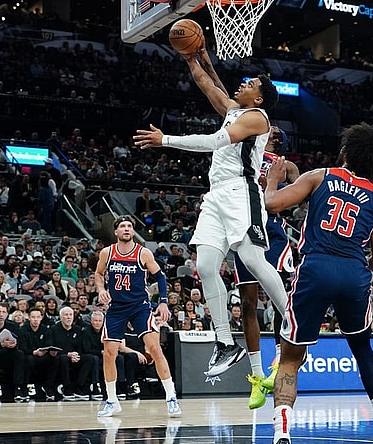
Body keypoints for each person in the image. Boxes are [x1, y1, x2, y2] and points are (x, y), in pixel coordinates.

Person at [134, 47, 290, 379]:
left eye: (250, 83)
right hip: (216, 194)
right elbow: (208, 84)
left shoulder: (258, 119)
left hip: (240, 191)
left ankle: (292, 318)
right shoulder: (235, 109)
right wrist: (192, 57)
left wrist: (166, 140)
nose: (242, 84)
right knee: (204, 265)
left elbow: (216, 141)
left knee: (253, 259)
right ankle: (224, 342)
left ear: (259, 99)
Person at [263, 123, 373, 444]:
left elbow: (272, 203)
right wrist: (354, 263)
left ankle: (281, 433)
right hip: (353, 274)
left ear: (344, 153)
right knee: (363, 350)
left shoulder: (319, 176)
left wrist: (272, 179)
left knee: (290, 358)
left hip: (315, 268)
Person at [234, 126, 300, 409]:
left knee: (277, 299)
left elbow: (298, 199)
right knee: (248, 304)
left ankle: (277, 363)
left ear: (278, 139)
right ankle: (258, 375)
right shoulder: (245, 154)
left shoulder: (286, 165)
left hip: (271, 232)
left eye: (271, 130)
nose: (265, 129)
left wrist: (275, 190)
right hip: (243, 231)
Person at [94, 215, 181, 418]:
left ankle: (171, 398)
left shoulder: (143, 253)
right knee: (109, 353)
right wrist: (100, 289)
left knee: (155, 349)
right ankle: (112, 400)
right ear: (116, 232)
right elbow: (98, 274)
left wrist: (163, 302)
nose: (126, 229)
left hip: (139, 306)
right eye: (122, 226)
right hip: (116, 307)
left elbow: (160, 276)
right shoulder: (107, 253)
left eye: (129, 226)